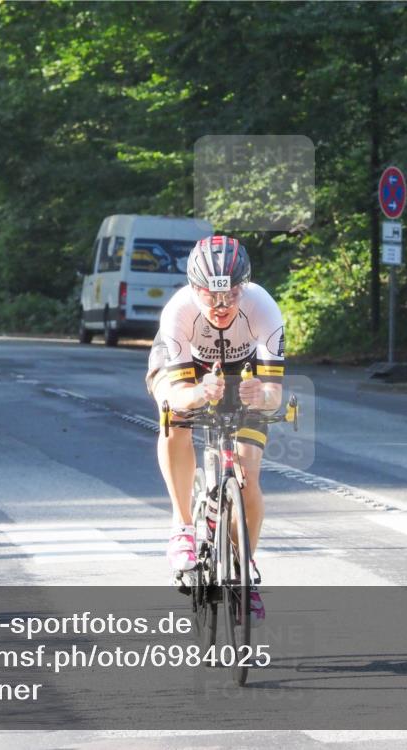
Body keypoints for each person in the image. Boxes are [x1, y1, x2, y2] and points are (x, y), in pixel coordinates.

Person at [146, 235, 285, 622]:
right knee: (174, 417)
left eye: (232, 295)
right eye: (211, 296)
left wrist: (262, 394)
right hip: (186, 370)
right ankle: (182, 525)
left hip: (243, 372)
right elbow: (177, 394)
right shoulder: (178, 312)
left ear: (245, 287)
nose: (221, 306)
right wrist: (197, 393)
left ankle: (244, 571)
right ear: (194, 289)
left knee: (248, 476)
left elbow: (275, 395)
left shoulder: (263, 307)